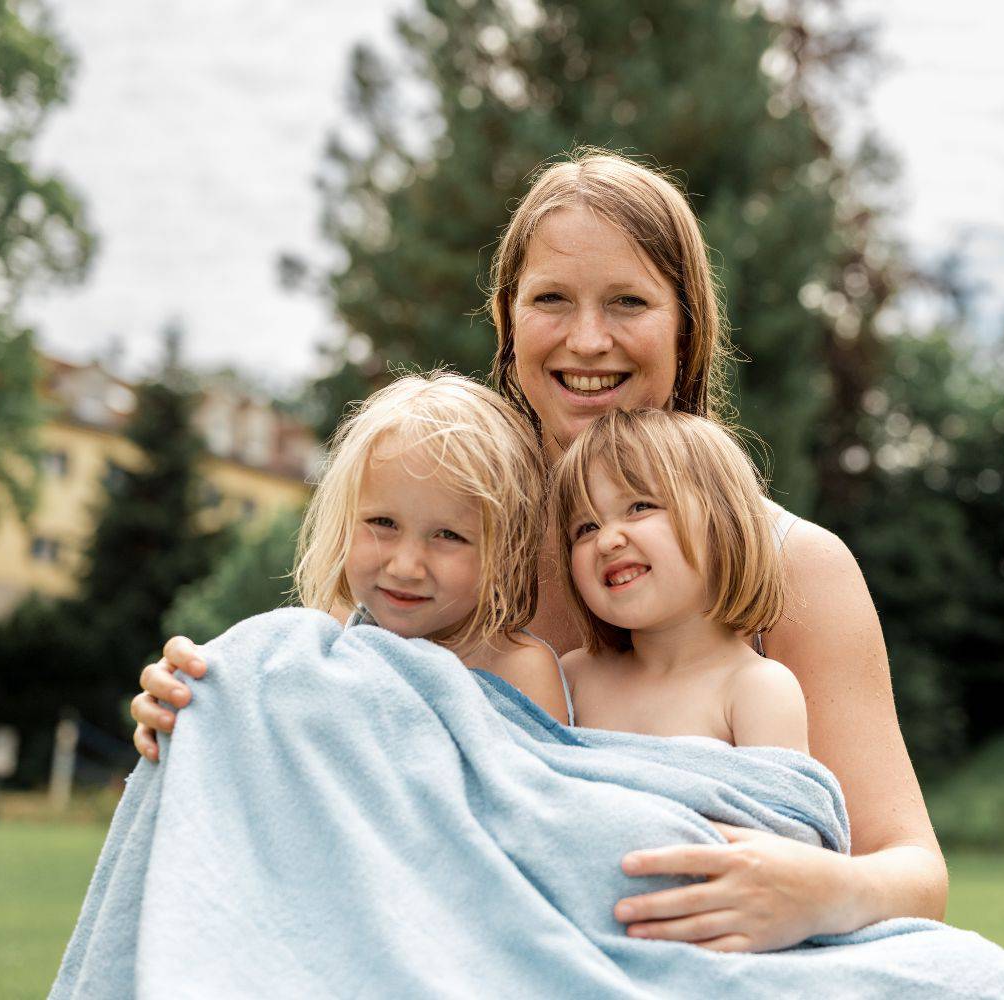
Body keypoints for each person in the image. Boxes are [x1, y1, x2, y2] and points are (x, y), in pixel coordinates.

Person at [131, 149, 949, 953]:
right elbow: (332, 734)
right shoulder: (448, 542)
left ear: (687, 326)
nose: (588, 340)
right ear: (508, 322)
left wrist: (818, 891)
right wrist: (212, 702)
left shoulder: (795, 566)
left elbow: (914, 870)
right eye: (551, 299)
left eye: (628, 301)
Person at [291, 370, 571, 721]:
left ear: (505, 551)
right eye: (383, 523)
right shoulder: (334, 631)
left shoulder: (521, 671)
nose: (405, 567)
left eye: (448, 535)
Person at [553, 408, 807, 753]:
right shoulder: (574, 677)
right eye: (586, 527)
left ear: (723, 524)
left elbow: (783, 806)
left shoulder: (756, 688)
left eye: (640, 507)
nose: (606, 540)